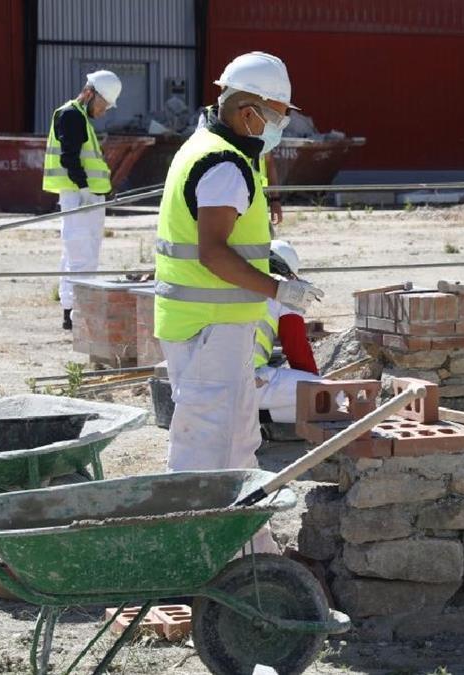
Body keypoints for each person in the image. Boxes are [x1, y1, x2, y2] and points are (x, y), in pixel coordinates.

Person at [153, 52, 322, 554]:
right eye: (276, 112)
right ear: (247, 110)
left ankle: (250, 549)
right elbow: (212, 252)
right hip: (212, 326)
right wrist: (278, 290)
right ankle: (197, 556)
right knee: (210, 450)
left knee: (233, 441)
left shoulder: (210, 148)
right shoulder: (224, 164)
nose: (281, 124)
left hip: (206, 325)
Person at [42, 70, 122, 330]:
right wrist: (86, 190)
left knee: (77, 254)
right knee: (82, 256)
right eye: (103, 105)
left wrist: (101, 189)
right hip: (80, 198)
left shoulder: (79, 117)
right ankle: (79, 314)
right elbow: (70, 158)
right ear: (89, 94)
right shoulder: (72, 115)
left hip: (85, 197)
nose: (104, 111)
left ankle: (72, 311)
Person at [255, 240, 324, 424]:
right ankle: (255, 417)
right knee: (330, 398)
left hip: (211, 377)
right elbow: (297, 351)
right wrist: (316, 386)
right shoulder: (285, 289)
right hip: (249, 380)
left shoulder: (235, 279)